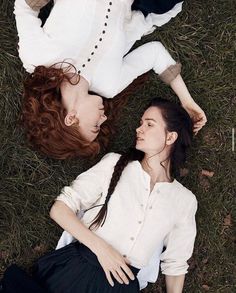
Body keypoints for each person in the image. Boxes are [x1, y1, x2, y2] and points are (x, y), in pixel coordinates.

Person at [1, 98, 198, 292]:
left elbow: (176, 263)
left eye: (149, 124)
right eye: (140, 123)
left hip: (122, 287)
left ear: (170, 137)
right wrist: (103, 250)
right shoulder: (115, 164)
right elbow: (60, 209)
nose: (139, 129)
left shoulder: (184, 201)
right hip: (80, 269)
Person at [14, 0, 207, 159]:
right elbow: (155, 54)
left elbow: (24, 8)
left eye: (95, 125)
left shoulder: (38, 59)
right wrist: (187, 101)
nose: (104, 117)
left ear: (71, 118)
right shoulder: (109, 85)